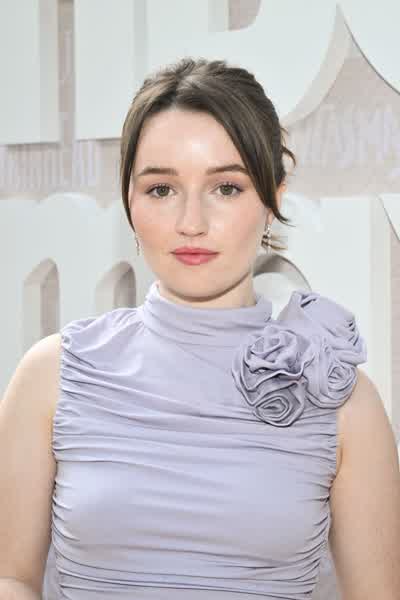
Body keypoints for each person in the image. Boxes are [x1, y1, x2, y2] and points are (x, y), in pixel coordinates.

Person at [1, 57, 399, 600]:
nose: (191, 222)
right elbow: (10, 578)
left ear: (273, 200)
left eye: (226, 188)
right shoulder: (51, 374)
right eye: (161, 189)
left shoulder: (344, 401)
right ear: (129, 201)